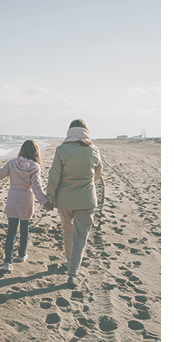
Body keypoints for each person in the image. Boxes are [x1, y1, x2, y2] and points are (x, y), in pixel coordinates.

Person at [0, 140, 52, 271]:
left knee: (11, 231)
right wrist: (45, 202)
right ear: (35, 153)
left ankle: (7, 262)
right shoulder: (35, 167)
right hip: (26, 200)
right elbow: (37, 187)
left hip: (12, 199)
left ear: (22, 150)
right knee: (24, 229)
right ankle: (22, 255)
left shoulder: (12, 163)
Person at [46, 119, 102, 287]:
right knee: (81, 237)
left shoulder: (62, 150)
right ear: (86, 132)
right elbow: (98, 174)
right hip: (86, 198)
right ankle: (72, 272)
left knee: (67, 230)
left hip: (65, 199)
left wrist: (50, 198)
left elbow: (54, 176)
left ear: (69, 132)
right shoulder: (94, 150)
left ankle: (69, 261)